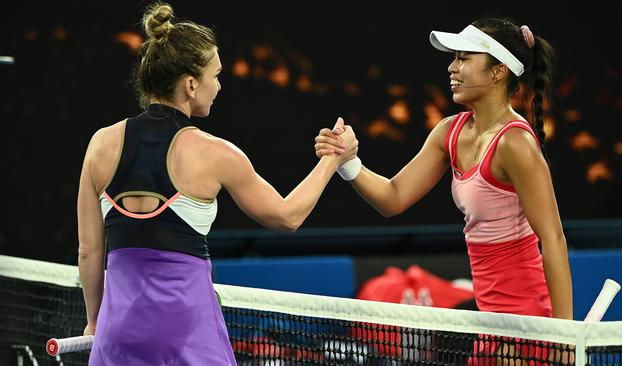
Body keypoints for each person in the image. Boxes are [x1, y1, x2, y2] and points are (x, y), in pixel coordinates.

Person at [76, 2, 357, 365]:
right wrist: (333, 158)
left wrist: (95, 323)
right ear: (191, 85)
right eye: (216, 75)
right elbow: (287, 216)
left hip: (118, 336)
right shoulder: (215, 154)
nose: (220, 86)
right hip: (186, 335)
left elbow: (88, 251)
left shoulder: (100, 143)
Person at [315, 16, 573, 320]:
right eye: (454, 58)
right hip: (488, 317)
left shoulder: (515, 143)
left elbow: (553, 238)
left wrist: (564, 335)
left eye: (464, 58)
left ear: (498, 71)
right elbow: (393, 197)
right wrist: (348, 163)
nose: (452, 67)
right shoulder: (449, 132)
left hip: (529, 316)